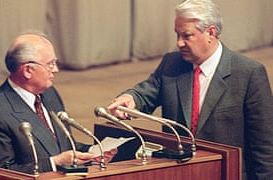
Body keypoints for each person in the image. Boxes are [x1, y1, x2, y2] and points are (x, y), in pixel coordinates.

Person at [107, 0, 273, 179]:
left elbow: (264, 146)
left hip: (225, 173)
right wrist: (131, 98)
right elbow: (145, 93)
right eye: (177, 35)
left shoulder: (248, 73)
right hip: (179, 172)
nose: (179, 43)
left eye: (187, 36)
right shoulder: (172, 64)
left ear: (210, 32)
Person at [0, 32, 116, 174]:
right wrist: (54, 163)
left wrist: (92, 152)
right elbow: (1, 172)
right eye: (50, 64)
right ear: (28, 70)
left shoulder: (49, 94)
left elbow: (62, 145)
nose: (56, 69)